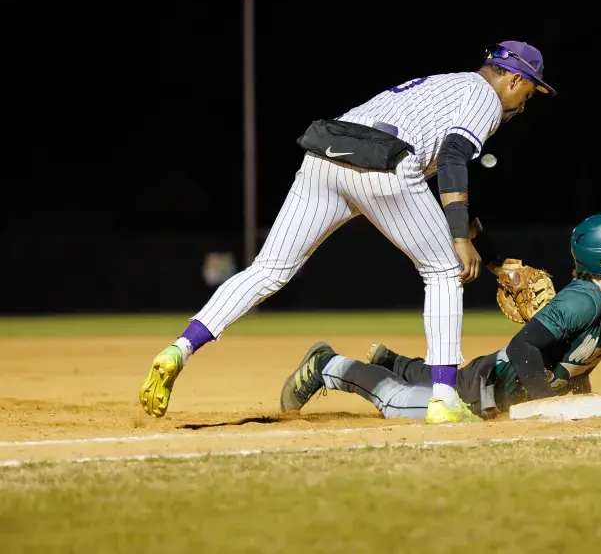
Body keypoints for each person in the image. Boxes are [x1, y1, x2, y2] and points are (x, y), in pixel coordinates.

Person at [140, 41, 557, 422]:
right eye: (529, 91)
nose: (525, 103)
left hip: (328, 154)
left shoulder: (444, 87)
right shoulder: (483, 97)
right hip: (382, 165)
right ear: (513, 78)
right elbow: (452, 159)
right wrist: (460, 242)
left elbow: (445, 199)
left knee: (267, 270)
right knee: (444, 270)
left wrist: (494, 261)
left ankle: (181, 348)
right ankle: (445, 398)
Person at [279, 212, 601, 422]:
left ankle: (394, 362)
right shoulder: (582, 302)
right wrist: (547, 405)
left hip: (488, 381)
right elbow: (522, 348)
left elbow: (577, 362)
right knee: (397, 402)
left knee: (450, 377)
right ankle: (328, 365)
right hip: (478, 396)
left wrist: (578, 398)